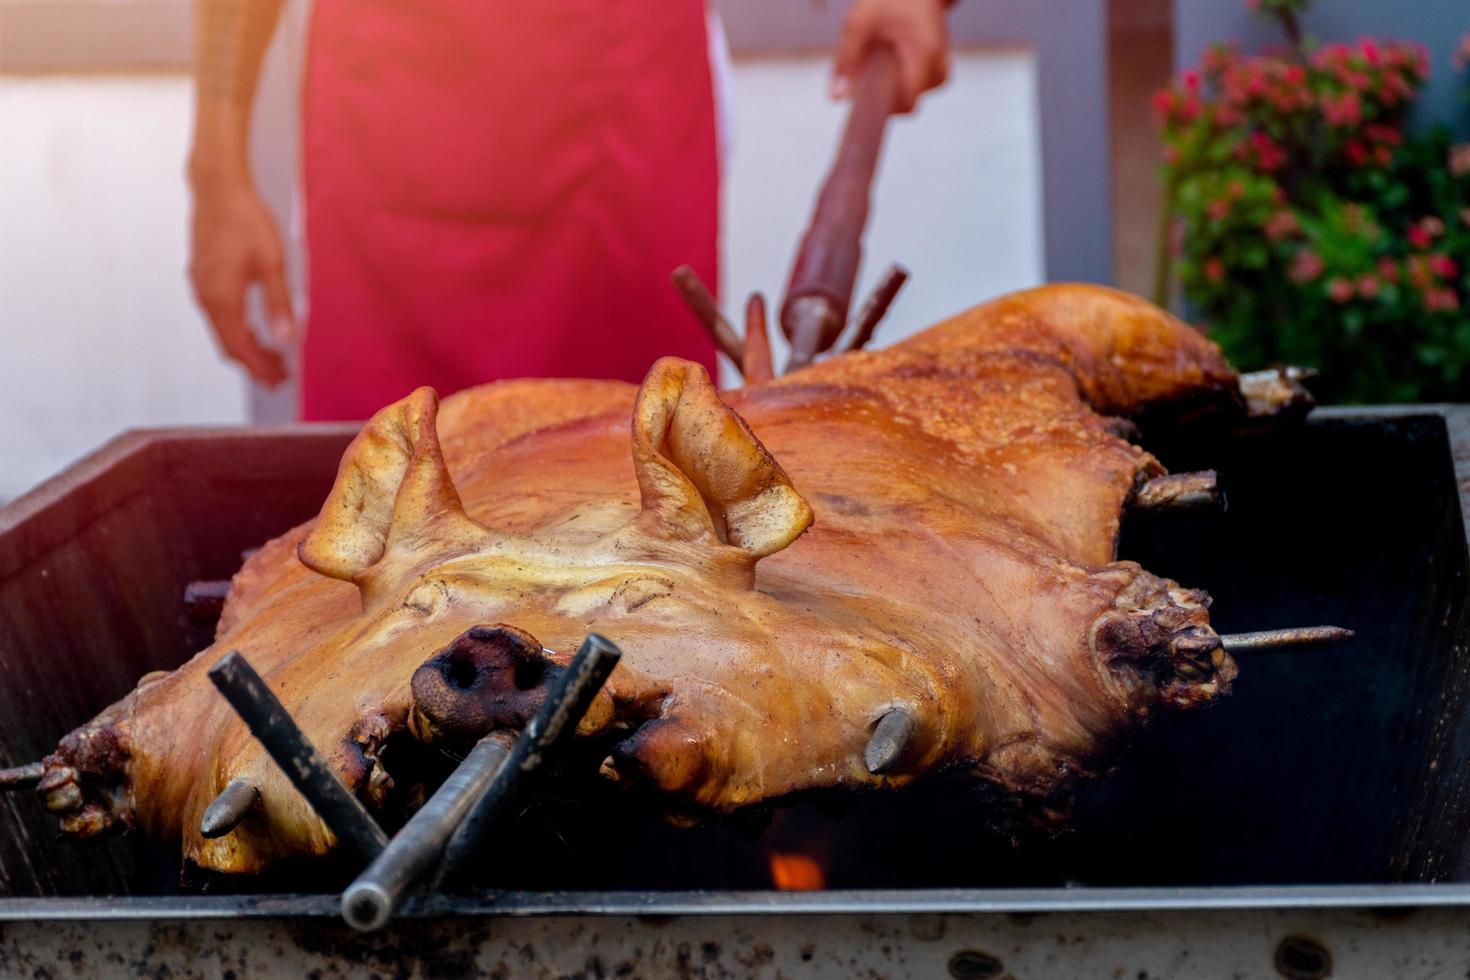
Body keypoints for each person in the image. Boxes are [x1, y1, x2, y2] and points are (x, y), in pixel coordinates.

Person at [187, 0, 950, 420]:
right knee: (379, 540)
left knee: (649, 518)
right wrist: (216, 167)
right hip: (392, 122)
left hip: (620, 105)